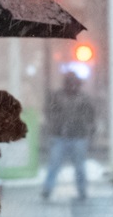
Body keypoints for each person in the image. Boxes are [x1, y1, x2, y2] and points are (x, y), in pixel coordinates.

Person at [41, 72, 95, 201]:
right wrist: (55, 123)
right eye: (70, 83)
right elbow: (49, 112)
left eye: (74, 84)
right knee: (55, 164)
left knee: (79, 166)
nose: (72, 86)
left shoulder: (83, 99)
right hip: (60, 135)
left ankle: (81, 190)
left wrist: (85, 127)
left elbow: (91, 116)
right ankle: (48, 189)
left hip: (77, 135)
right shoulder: (57, 97)